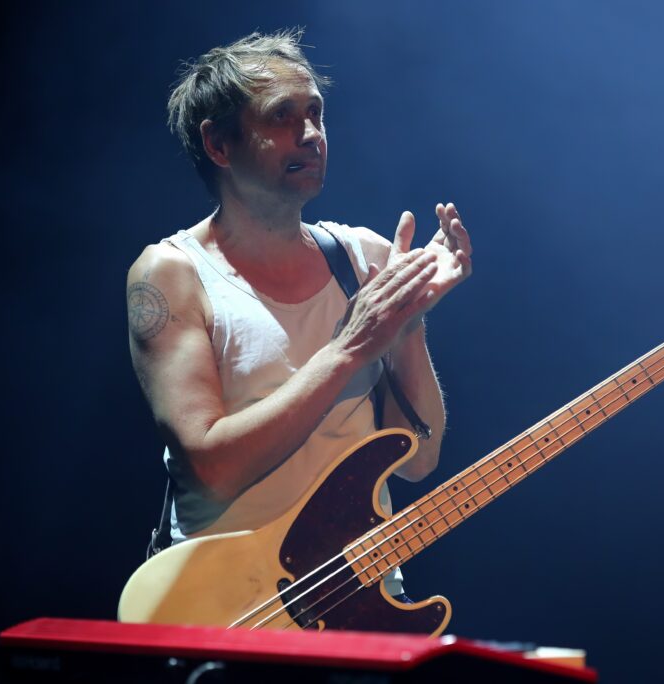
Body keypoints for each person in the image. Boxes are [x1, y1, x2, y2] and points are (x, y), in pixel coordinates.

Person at [125, 29, 472, 598]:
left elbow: (419, 460)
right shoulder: (170, 274)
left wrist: (407, 320)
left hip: (363, 597)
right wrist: (350, 348)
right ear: (219, 144)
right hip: (227, 604)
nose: (311, 134)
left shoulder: (366, 258)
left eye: (315, 113)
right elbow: (211, 471)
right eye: (281, 116)